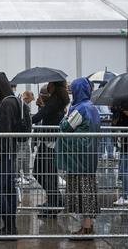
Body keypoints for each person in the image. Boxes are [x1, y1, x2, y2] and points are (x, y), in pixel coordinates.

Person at [55, 77, 100, 238]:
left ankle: (86, 228)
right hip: (90, 156)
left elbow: (66, 126)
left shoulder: (80, 109)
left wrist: (66, 115)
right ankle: (88, 225)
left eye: (72, 89)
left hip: (78, 157)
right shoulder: (92, 107)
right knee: (88, 189)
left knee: (82, 192)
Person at [0, 72, 25, 237]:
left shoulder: (6, 104)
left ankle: (9, 226)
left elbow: (4, 130)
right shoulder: (15, 101)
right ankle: (10, 227)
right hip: (10, 153)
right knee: (9, 190)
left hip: (3, 155)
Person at [30, 81, 69, 213]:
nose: (48, 87)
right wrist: (43, 107)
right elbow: (47, 113)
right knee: (46, 172)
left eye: (50, 85)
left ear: (55, 87)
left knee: (43, 172)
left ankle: (54, 202)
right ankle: (56, 201)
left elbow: (41, 116)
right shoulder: (57, 101)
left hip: (50, 142)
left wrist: (25, 122)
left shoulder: (55, 101)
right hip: (50, 141)